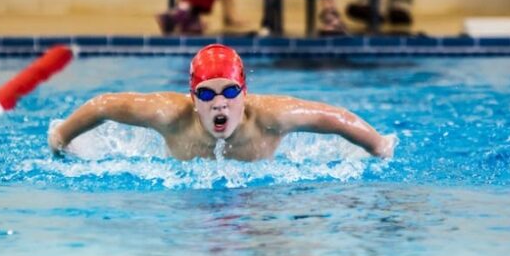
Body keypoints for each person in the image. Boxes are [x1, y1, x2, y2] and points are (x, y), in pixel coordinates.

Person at [49, 44, 394, 161]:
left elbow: (335, 117)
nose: (219, 104)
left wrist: (378, 145)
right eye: (207, 94)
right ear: (192, 97)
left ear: (244, 94)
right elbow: (104, 105)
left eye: (229, 92)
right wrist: (61, 137)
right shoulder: (168, 115)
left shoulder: (272, 117)